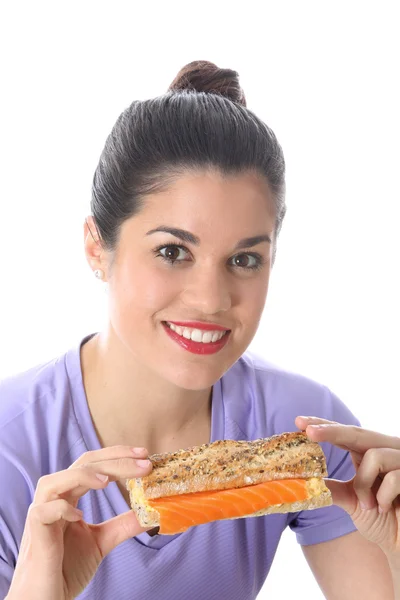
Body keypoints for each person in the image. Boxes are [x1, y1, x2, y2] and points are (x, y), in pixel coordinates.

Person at [0, 60, 398, 600]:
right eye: (172, 251)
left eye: (245, 260)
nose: (212, 300)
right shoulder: (10, 447)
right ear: (97, 246)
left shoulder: (302, 426)